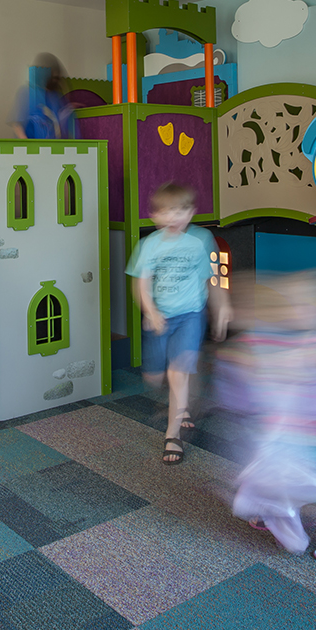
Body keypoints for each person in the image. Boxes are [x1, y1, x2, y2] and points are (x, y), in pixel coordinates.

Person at [224, 271, 316, 564]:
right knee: (283, 477)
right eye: (288, 305)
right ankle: (277, 512)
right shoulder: (284, 339)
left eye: (305, 305)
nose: (293, 312)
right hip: (299, 436)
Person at [126, 182, 231, 465]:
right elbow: (141, 285)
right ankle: (179, 403)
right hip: (161, 317)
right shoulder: (149, 245)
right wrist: (151, 312)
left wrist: (222, 307)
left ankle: (172, 435)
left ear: (192, 213)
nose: (175, 217)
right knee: (153, 376)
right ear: (155, 216)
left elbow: (211, 279)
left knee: (178, 373)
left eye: (182, 210)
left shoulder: (200, 240)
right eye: (168, 212)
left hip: (190, 316)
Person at [11, 53, 75, 139]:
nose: (54, 81)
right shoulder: (26, 93)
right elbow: (17, 123)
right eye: (52, 76)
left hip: (52, 146)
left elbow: (63, 125)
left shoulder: (56, 97)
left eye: (56, 78)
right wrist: (25, 141)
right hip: (31, 146)